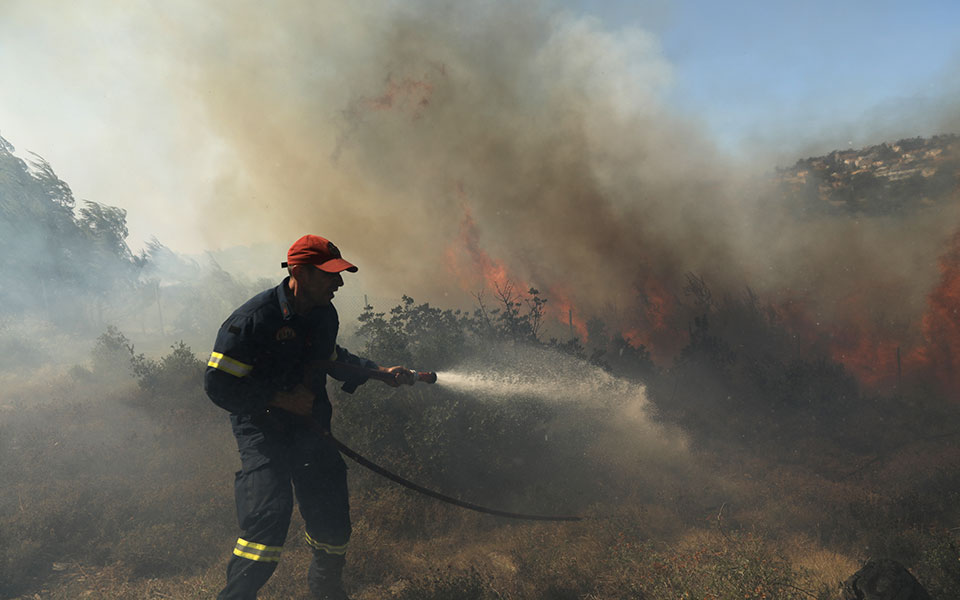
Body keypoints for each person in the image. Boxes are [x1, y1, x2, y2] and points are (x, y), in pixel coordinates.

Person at [205, 234, 414, 600]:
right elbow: (218, 386)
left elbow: (330, 358)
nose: (340, 283)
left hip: (310, 429)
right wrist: (280, 400)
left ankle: (327, 593)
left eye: (340, 273)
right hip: (263, 430)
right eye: (330, 274)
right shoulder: (253, 320)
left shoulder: (323, 314)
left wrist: (377, 371)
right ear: (300, 272)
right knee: (267, 521)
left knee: (333, 526)